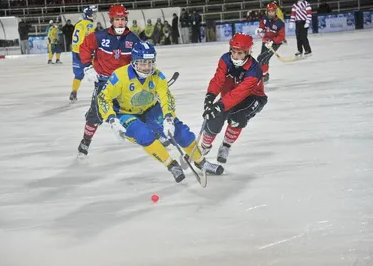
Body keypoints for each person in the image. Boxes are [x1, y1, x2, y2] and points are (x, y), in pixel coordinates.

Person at [97, 42, 224, 181]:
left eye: (150, 63)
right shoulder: (120, 76)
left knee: (181, 132)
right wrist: (112, 119)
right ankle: (171, 165)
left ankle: (201, 162)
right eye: (142, 63)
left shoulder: (158, 76)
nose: (147, 68)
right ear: (134, 62)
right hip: (124, 112)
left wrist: (169, 118)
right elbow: (104, 97)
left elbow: (166, 97)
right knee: (143, 135)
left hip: (151, 108)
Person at [76, 4, 141, 157]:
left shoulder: (133, 39)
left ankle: (155, 135)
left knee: (140, 108)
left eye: (123, 19)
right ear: (111, 20)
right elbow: (84, 47)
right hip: (104, 83)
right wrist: (87, 67)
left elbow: (141, 60)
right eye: (117, 19)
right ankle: (86, 141)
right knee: (96, 114)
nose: (120, 22)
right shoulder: (99, 36)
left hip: (125, 84)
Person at [200, 33, 267, 164]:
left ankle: (226, 146)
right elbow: (218, 80)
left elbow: (240, 93)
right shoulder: (225, 59)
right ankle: (204, 147)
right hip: (229, 96)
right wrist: (209, 98)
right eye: (233, 51)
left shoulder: (255, 70)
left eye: (240, 53)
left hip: (252, 97)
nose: (235, 56)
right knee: (214, 117)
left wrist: (219, 105)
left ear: (247, 52)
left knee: (236, 118)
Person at [69, 6, 97, 102]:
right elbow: (90, 38)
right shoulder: (89, 24)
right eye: (92, 13)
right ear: (88, 15)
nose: (94, 15)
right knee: (96, 71)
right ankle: (99, 92)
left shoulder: (79, 23)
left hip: (75, 51)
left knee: (78, 75)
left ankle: (74, 91)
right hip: (84, 51)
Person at [255, 3, 285, 83]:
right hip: (265, 41)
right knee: (264, 59)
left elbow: (281, 37)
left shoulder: (280, 23)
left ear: (275, 12)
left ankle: (263, 76)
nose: (270, 13)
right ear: (267, 11)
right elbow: (262, 25)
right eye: (269, 11)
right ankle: (266, 75)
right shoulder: (264, 18)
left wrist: (273, 41)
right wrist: (260, 29)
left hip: (274, 44)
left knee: (261, 58)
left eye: (272, 11)